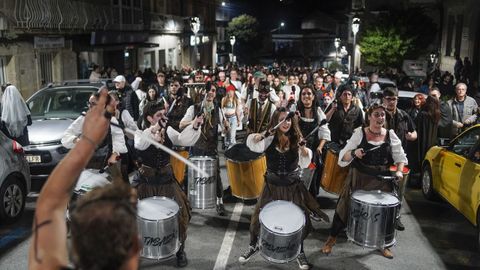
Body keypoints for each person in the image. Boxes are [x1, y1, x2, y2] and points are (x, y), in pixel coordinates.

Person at [28, 87, 142, 270]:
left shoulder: (112, 122)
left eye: (95, 104)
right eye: (90, 104)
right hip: (85, 175)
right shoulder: (84, 120)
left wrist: (115, 154)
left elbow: (121, 147)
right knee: (81, 216)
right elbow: (66, 138)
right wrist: (80, 142)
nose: (92, 107)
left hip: (106, 173)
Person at [238, 107, 329, 270]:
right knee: (257, 217)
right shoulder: (269, 137)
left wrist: (302, 148)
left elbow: (306, 163)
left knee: (298, 220)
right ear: (276, 121)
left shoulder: (297, 138)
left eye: (288, 119)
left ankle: (299, 252)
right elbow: (252, 144)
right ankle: (253, 246)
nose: (285, 122)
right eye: (282, 119)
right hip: (271, 185)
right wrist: (264, 134)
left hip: (292, 185)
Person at [320, 103, 408, 259]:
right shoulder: (359, 134)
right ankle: (331, 240)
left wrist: (400, 171)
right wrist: (354, 152)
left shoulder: (390, 135)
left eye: (382, 115)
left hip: (382, 179)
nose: (380, 118)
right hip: (359, 177)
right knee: (343, 208)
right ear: (369, 117)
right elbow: (343, 157)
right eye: (376, 114)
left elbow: (400, 157)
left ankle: (384, 244)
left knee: (386, 213)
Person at [134, 101, 203, 267]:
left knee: (181, 213)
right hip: (146, 182)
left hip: (166, 180)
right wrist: (154, 129)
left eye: (163, 115)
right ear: (149, 118)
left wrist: (194, 125)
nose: (162, 118)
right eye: (158, 116)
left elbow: (183, 140)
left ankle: (180, 250)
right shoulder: (141, 132)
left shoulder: (169, 130)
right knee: (133, 217)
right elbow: (139, 144)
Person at [179, 81, 228, 216]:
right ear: (203, 92)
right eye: (208, 90)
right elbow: (182, 124)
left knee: (216, 176)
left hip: (211, 149)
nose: (211, 93)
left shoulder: (218, 109)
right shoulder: (193, 108)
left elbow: (224, 128)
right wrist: (193, 121)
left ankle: (220, 202)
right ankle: (184, 203)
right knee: (188, 175)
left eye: (213, 90)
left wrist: (226, 127)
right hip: (195, 148)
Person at [62, 93, 127, 172]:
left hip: (105, 164)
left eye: (93, 104)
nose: (89, 106)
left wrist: (115, 154)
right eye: (89, 103)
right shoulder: (84, 118)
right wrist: (76, 140)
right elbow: (66, 136)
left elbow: (118, 137)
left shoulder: (111, 120)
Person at [296, 86, 330, 196]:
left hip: (313, 150)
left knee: (311, 175)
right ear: (300, 97)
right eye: (304, 94)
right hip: (297, 149)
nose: (306, 96)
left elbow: (325, 132)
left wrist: (320, 147)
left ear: (313, 96)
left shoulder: (318, 111)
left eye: (309, 94)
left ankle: (310, 202)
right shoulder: (295, 110)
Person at [415, 96, 440, 166]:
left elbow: (416, 125)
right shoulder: (437, 114)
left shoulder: (423, 114)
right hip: (432, 140)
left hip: (422, 139)